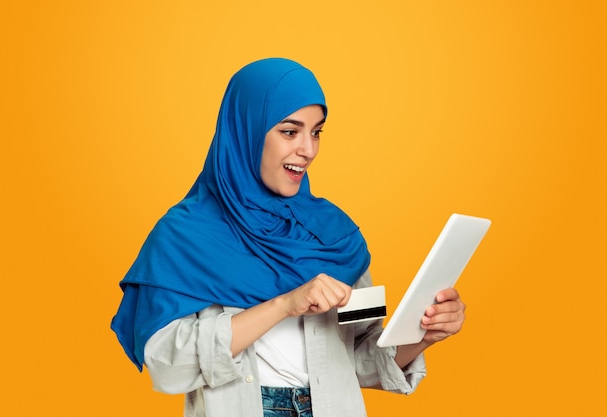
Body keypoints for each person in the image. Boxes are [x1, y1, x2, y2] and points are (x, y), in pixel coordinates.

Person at [111, 58, 466, 417]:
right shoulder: (184, 235)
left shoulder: (337, 236)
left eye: (316, 132)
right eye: (289, 131)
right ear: (245, 131)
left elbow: (360, 356)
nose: (308, 150)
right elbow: (167, 366)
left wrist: (423, 335)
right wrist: (283, 305)